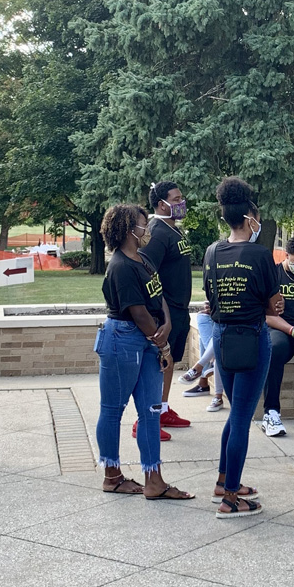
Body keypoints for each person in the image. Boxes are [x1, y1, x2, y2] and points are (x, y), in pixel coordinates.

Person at [95, 204, 192, 500]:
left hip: (149, 340)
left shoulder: (143, 260)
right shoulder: (121, 266)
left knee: (151, 410)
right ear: (128, 231)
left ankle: (155, 480)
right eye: (141, 225)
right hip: (123, 340)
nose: (146, 229)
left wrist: (167, 322)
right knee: (113, 410)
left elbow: (157, 294)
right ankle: (112, 476)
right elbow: (137, 312)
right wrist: (162, 343)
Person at [204, 177, 283, 518]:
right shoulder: (260, 254)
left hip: (222, 338)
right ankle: (231, 498)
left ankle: (224, 481)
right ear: (250, 217)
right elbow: (274, 303)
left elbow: (211, 299)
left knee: (235, 416)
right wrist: (267, 305)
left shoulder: (212, 252)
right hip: (252, 337)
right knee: (240, 418)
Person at [133, 181, 193, 442]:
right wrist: (160, 315)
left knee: (169, 364)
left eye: (181, 198)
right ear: (161, 204)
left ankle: (163, 410)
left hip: (180, 310)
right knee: (158, 365)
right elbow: (147, 271)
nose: (182, 202)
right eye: (177, 198)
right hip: (165, 313)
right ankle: (144, 421)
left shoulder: (174, 230)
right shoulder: (157, 232)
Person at [261, 236, 294, 437]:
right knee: (274, 349)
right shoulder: (273, 275)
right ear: (286, 256)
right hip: (283, 330)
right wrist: (293, 331)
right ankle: (271, 413)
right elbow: (265, 316)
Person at [181, 302, 226, 413]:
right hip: (221, 317)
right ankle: (211, 361)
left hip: (236, 323)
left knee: (217, 337)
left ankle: (200, 368)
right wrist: (211, 306)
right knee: (202, 317)